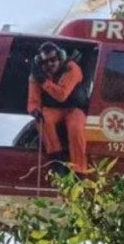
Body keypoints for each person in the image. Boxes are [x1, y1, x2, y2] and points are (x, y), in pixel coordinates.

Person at [27, 42, 88, 173]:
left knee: (75, 128)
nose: (49, 64)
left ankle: (79, 170)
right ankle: (57, 160)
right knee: (43, 119)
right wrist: (35, 111)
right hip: (52, 109)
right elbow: (33, 100)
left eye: (52, 60)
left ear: (60, 57)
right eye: (45, 61)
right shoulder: (35, 75)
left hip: (74, 109)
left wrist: (44, 81)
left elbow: (61, 95)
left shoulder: (72, 68)